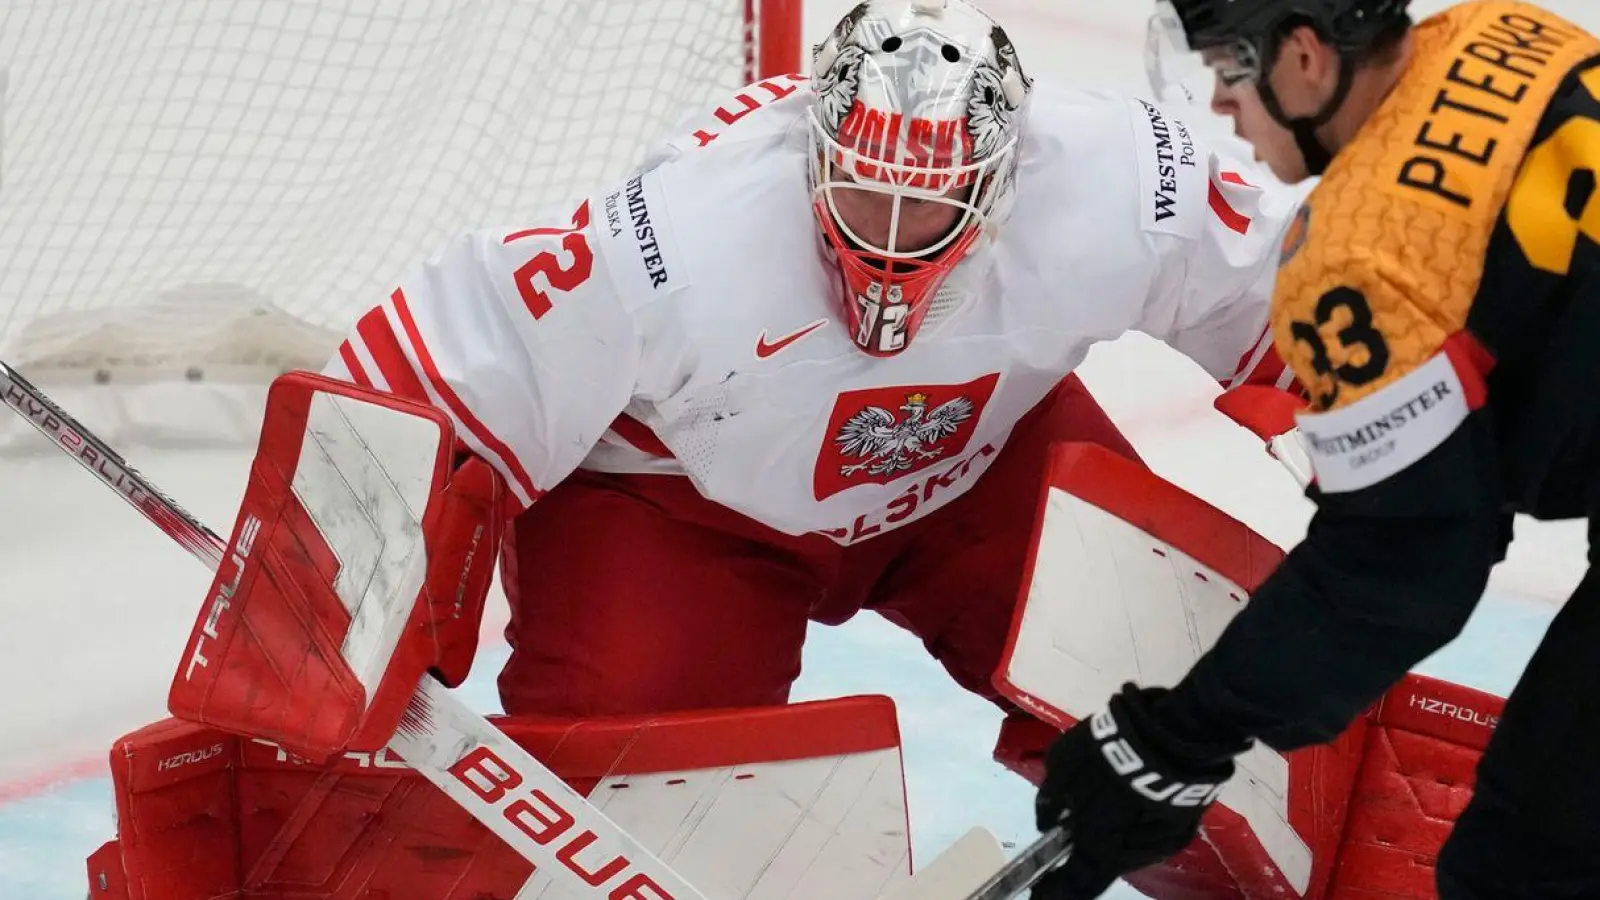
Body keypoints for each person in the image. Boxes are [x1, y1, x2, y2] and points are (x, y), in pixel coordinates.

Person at [331, 0, 1296, 823]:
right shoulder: (685, 226)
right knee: (626, 796)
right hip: (685, 507)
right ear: (812, 146)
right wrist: (328, 597)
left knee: (1205, 692)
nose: (883, 233)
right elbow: (436, 364)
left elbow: (1302, 305)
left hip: (978, 462)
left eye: (920, 204)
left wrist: (1396, 463)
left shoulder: (1125, 178)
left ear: (1004, 176)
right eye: (860, 187)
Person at [1030, 1, 1600, 898]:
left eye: (1227, 72)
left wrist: (1176, 738)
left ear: (1303, 56)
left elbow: (1402, 570)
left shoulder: (1361, 252)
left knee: (1523, 867)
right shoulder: (1508, 31)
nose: (1220, 106)